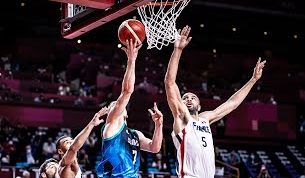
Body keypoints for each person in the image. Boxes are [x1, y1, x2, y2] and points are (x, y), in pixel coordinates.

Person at [164, 25, 266, 177]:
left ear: (199, 106)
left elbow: (232, 104)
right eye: (185, 98)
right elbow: (170, 83)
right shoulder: (182, 118)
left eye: (193, 97)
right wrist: (177, 50)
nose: (189, 99)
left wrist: (253, 80)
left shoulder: (205, 119)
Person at [96, 39, 163, 178]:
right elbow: (126, 91)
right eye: (113, 105)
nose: (117, 104)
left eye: (118, 104)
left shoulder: (135, 135)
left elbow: (154, 148)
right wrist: (131, 60)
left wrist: (159, 125)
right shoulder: (112, 124)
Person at [56, 106, 108, 178]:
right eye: (67, 142)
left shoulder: (73, 163)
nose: (71, 142)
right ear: (60, 151)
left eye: (72, 140)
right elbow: (72, 148)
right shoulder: (64, 165)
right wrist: (92, 123)